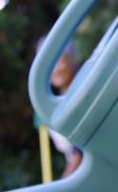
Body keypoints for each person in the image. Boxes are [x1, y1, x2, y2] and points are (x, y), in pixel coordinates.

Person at [36, 38, 83, 179]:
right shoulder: (58, 102)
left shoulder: (82, 93)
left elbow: (81, 152)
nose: (54, 69)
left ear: (73, 58)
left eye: (58, 60)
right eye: (48, 65)